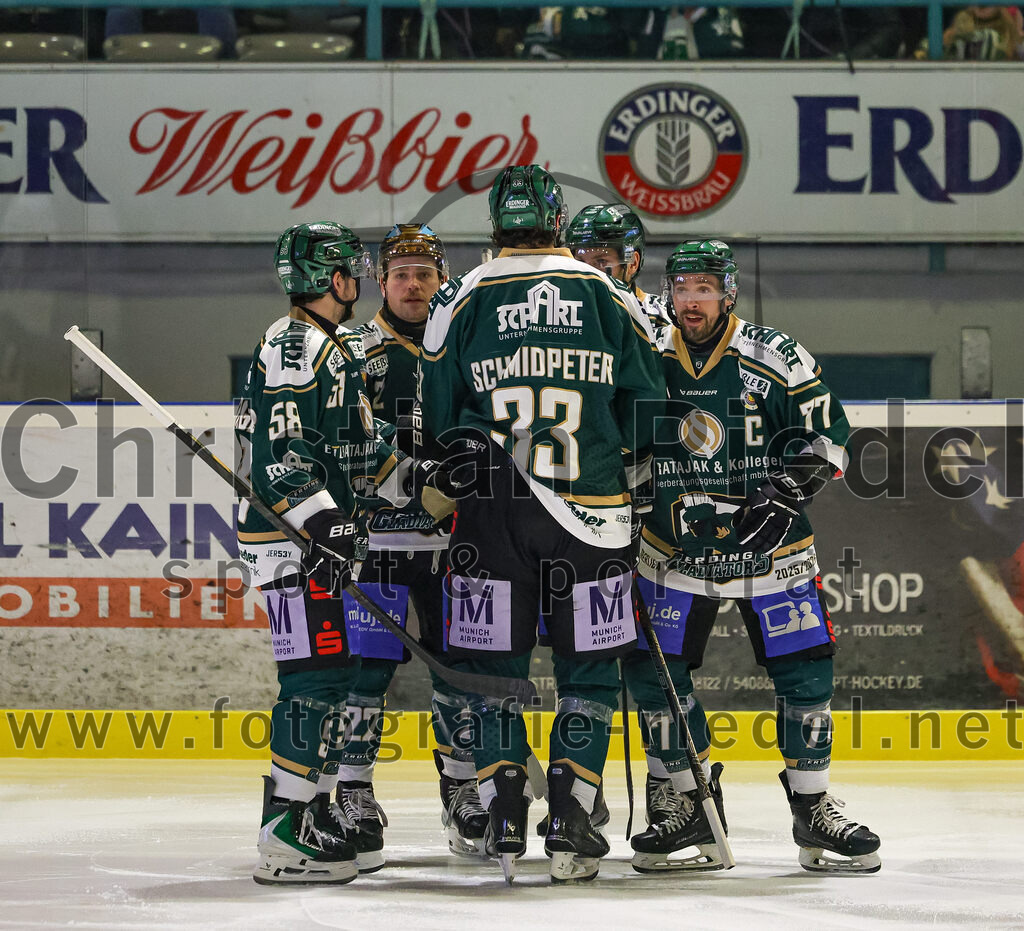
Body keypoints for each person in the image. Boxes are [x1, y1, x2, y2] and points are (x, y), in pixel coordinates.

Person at [418, 164, 665, 884]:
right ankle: (571, 820)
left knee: (492, 671)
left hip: (490, 517)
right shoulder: (608, 293)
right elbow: (648, 409)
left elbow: (438, 422)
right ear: (558, 221)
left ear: (495, 224)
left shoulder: (460, 295)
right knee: (588, 671)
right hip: (594, 519)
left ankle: (502, 813)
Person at [624, 239, 882, 874]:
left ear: (729, 293)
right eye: (681, 288)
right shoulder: (645, 350)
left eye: (705, 289)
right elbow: (616, 432)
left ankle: (813, 806)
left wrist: (790, 489)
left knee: (805, 674)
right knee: (655, 677)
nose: (691, 301)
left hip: (773, 554)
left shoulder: (775, 353)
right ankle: (690, 802)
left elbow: (830, 436)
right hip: (673, 552)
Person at [235, 221, 425, 884]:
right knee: (313, 678)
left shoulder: (331, 346)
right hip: (289, 545)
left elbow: (360, 448)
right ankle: (284, 828)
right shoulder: (295, 346)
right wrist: (327, 525)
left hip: (313, 541)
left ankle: (312, 808)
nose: (358, 280)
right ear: (334, 278)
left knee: (332, 673)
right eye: (353, 270)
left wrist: (427, 481)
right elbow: (281, 461)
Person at [342, 222, 488, 858]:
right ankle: (351, 788)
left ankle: (461, 790)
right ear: (381, 281)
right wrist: (413, 479)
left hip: (454, 545)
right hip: (376, 542)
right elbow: (346, 435)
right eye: (400, 274)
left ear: (442, 279)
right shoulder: (353, 351)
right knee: (365, 671)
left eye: (424, 274)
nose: (412, 285)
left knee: (458, 667)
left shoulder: (462, 343)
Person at [565, 203, 671, 334]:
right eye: (580, 262)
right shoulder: (558, 312)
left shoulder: (662, 319)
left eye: (601, 262)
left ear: (633, 264)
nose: (587, 273)